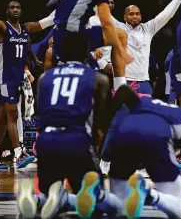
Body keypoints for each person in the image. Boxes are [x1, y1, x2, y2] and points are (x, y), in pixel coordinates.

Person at [17, 33, 122, 219]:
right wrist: (94, 147)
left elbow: (42, 115)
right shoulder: (98, 79)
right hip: (76, 140)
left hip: (46, 141)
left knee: (51, 198)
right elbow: (100, 124)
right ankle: (85, 196)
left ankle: (38, 200)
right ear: (86, 51)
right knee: (102, 205)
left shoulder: (44, 78)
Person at [107, 85, 181, 219]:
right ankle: (148, 193)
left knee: (120, 207)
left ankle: (93, 197)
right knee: (178, 210)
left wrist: (102, 127)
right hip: (156, 137)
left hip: (126, 132)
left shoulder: (145, 102)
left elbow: (123, 90)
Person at [0, 0, 54, 169]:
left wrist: (65, 5)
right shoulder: (2, 28)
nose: (15, 10)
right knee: (12, 114)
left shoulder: (26, 28)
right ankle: (19, 153)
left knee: (4, 117)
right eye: (12, 7)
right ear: (7, 11)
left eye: (18, 7)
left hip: (17, 78)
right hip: (4, 78)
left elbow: (48, 21)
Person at [90, 0, 181, 93]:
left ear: (141, 16)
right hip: (124, 81)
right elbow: (101, 13)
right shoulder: (118, 28)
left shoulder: (148, 29)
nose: (134, 16)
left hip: (144, 81)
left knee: (145, 110)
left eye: (137, 14)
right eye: (131, 14)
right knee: (123, 111)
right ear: (125, 17)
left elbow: (166, 14)